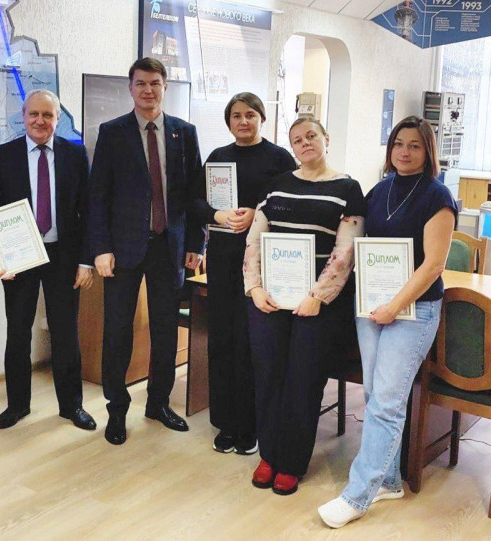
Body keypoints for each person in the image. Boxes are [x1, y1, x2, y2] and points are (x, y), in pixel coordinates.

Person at [318, 116, 457, 528]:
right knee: (376, 395)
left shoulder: (438, 197)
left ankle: (357, 495)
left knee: (387, 403)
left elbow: (433, 265)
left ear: (427, 151)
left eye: (414, 145)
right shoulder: (379, 191)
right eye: (398, 143)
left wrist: (394, 306)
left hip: (413, 311)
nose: (404, 152)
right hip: (373, 306)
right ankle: (390, 480)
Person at [243, 118, 366, 496]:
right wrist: (254, 287)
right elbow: (254, 240)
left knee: (304, 380)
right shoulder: (276, 185)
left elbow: (345, 252)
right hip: (270, 300)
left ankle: (292, 462)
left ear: (326, 138)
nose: (305, 143)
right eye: (297, 140)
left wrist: (317, 296)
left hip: (317, 304)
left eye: (311, 136)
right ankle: (269, 454)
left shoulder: (348, 189)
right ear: (292, 147)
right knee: (268, 375)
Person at [87, 57, 204, 445]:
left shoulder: (184, 133)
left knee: (166, 331)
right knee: (117, 332)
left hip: (169, 247)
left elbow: (195, 194)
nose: (148, 90)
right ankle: (117, 410)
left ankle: (158, 403)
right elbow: (98, 196)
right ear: (130, 88)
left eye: (155, 83)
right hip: (122, 249)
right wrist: (101, 248)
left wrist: (196, 244)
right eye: (141, 84)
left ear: (165, 87)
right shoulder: (112, 132)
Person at [0, 89, 97, 431]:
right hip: (19, 256)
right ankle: (17, 405)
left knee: (65, 333)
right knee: (18, 332)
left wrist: (86, 261)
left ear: (58, 119)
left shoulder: (75, 155)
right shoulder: (4, 155)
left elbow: (88, 211)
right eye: (34, 114)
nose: (40, 121)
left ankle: (72, 406)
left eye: (48, 115)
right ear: (23, 117)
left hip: (64, 255)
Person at [192, 92, 296, 455]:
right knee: (222, 338)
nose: (243, 121)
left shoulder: (279, 158)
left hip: (263, 261)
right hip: (222, 258)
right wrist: (218, 215)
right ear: (229, 122)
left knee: (252, 341)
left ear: (262, 119)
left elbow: (290, 202)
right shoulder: (217, 157)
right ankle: (226, 422)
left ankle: (251, 424)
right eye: (236, 116)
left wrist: (258, 213)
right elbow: (196, 202)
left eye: (250, 114)